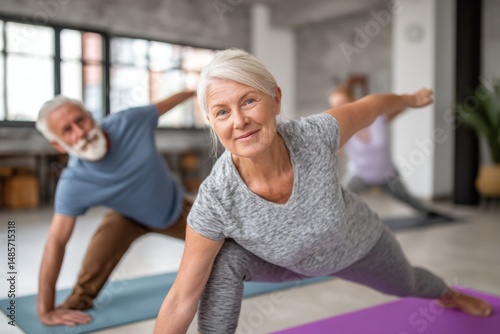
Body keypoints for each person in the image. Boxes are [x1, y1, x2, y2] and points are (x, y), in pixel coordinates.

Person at [153, 49, 492, 334]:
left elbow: (371, 107)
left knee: (410, 284)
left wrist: (410, 99)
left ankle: (449, 295)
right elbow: (183, 296)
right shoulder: (216, 199)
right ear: (212, 123)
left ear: (276, 100)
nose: (239, 121)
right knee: (221, 260)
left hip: (355, 246)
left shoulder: (315, 136)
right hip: (281, 261)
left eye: (249, 100)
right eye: (222, 112)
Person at [35, 90, 195, 326]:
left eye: (81, 120)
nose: (81, 133)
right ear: (58, 145)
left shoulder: (130, 121)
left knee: (232, 244)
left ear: (91, 115)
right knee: (103, 243)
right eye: (67, 130)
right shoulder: (74, 182)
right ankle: (75, 303)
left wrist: (196, 88)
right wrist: (45, 310)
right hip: (127, 218)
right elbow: (56, 241)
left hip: (174, 208)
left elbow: (169, 102)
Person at [330, 83, 440, 217]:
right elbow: (335, 154)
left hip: (387, 174)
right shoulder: (342, 130)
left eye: (341, 102)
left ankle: (430, 212)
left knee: (409, 199)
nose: (338, 108)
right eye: (334, 105)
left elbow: (400, 106)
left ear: (352, 100)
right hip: (360, 175)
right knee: (340, 201)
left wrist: (415, 98)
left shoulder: (377, 119)